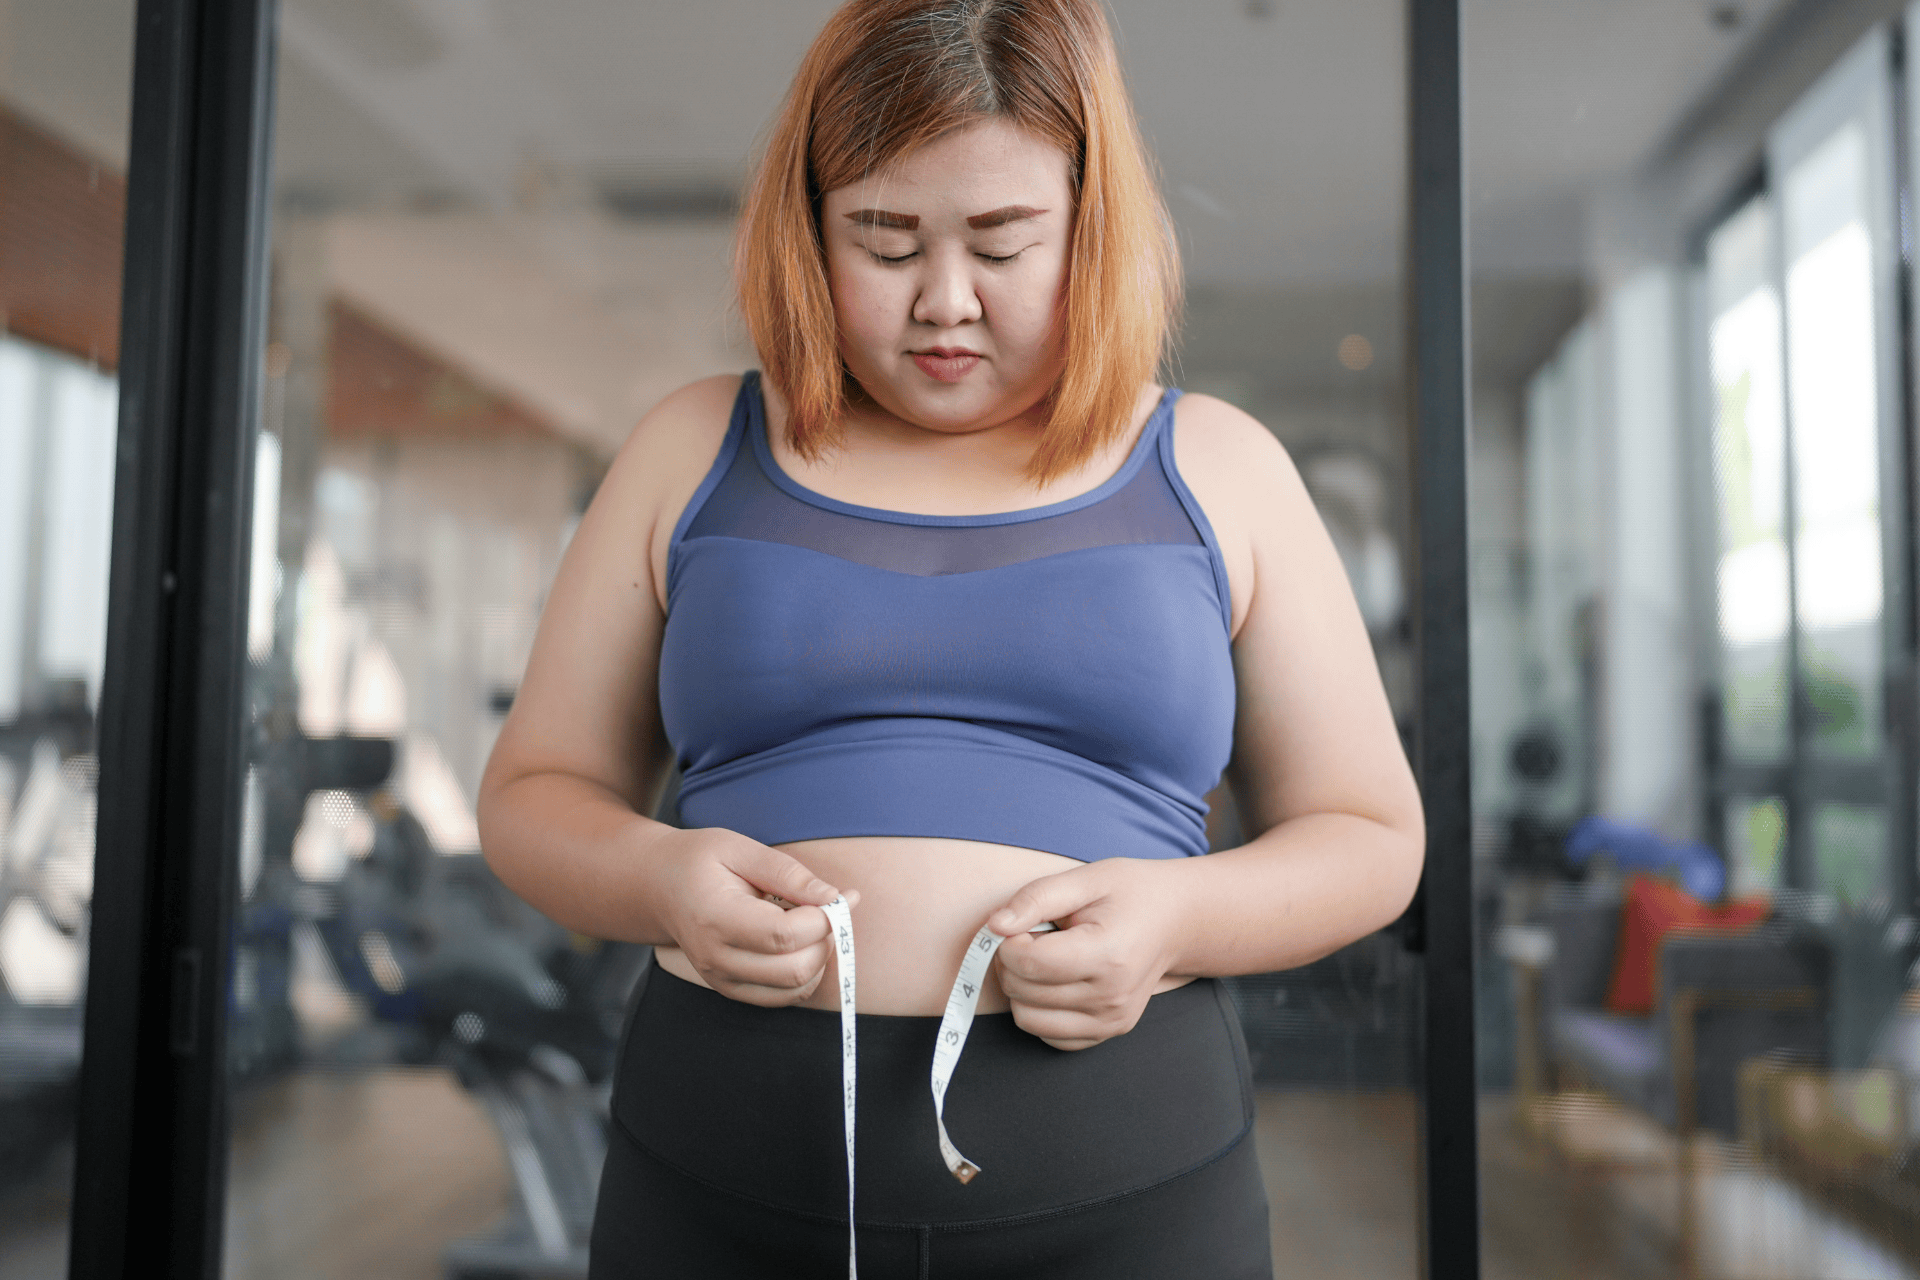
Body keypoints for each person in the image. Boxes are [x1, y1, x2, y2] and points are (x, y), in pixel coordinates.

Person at [476, 0, 1424, 1275]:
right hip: (715, 1174)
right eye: (882, 237)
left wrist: (1178, 917)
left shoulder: (1221, 467)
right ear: (807, 229)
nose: (943, 302)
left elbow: (1373, 836)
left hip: (1132, 1186)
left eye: (1002, 242)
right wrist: (664, 883)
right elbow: (535, 795)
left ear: (1092, 228)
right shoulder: (690, 448)